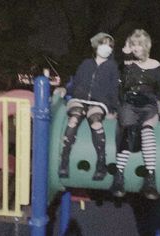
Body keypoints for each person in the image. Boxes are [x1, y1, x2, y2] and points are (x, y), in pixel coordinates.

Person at [110, 29, 160, 199]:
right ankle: (118, 176)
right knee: (128, 130)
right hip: (130, 102)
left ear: (146, 46)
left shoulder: (155, 65)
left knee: (147, 129)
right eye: (133, 45)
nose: (136, 48)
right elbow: (125, 72)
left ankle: (150, 178)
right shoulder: (128, 64)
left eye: (139, 45)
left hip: (148, 104)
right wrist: (126, 54)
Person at [59, 32, 119, 181]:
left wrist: (113, 108)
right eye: (104, 44)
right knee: (74, 119)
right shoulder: (86, 63)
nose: (107, 48)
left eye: (110, 46)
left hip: (98, 102)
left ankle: (101, 164)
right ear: (96, 45)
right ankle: (64, 161)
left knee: (96, 122)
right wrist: (65, 89)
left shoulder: (112, 66)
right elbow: (75, 82)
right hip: (79, 99)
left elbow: (113, 89)